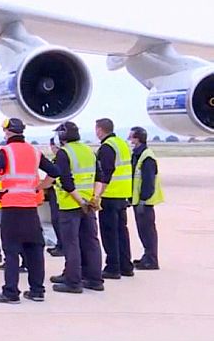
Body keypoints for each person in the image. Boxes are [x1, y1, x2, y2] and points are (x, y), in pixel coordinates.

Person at [0, 118, 60, 304]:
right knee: (35, 249)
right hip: (30, 207)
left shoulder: (6, 152)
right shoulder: (34, 152)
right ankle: (37, 291)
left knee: (11, 251)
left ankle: (11, 292)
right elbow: (54, 171)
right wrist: (40, 186)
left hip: (11, 207)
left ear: (7, 132)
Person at [47, 122, 104, 294]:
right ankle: (94, 279)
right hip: (89, 204)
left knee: (71, 243)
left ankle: (73, 282)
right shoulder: (88, 151)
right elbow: (99, 177)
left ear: (62, 136)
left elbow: (66, 181)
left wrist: (80, 201)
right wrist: (95, 198)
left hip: (71, 205)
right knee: (91, 242)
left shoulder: (64, 153)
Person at [93, 118, 135, 279]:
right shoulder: (122, 144)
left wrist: (97, 195)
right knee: (122, 232)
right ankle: (126, 266)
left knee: (109, 233)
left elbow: (106, 173)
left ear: (100, 130)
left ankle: (113, 268)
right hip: (122, 194)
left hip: (110, 195)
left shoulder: (107, 147)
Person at [129, 126, 164, 270]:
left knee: (148, 231)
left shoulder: (147, 157)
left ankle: (152, 260)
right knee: (143, 231)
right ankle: (147, 256)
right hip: (138, 201)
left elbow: (148, 181)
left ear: (137, 138)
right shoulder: (138, 154)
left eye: (131, 137)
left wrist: (143, 199)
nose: (129, 139)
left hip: (145, 202)